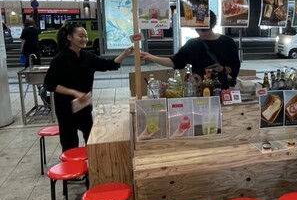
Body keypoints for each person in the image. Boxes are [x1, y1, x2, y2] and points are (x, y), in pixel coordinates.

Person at [44, 21, 133, 151]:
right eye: (81, 36)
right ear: (69, 37)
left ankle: (91, 163)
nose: (85, 39)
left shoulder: (88, 57)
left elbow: (108, 64)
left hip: (83, 106)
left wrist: (125, 53)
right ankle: (71, 162)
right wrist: (74, 92)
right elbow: (50, 84)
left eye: (85, 36)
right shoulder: (60, 59)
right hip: (65, 108)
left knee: (91, 139)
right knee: (70, 143)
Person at [140, 10, 240, 89]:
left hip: (221, 90)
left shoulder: (227, 42)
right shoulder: (192, 44)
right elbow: (174, 62)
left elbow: (234, 67)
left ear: (212, 26)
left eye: (204, 30)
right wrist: (151, 57)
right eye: (198, 29)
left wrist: (222, 69)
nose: (200, 33)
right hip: (199, 91)